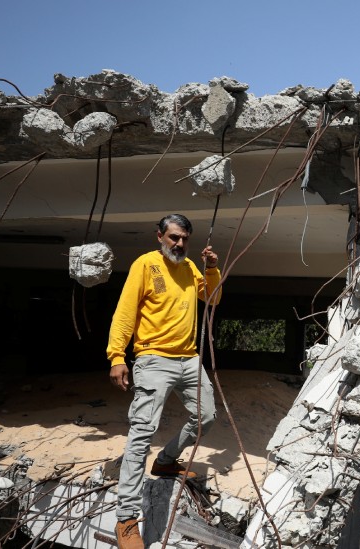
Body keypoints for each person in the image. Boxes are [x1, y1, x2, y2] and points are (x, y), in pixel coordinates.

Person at [106, 213, 221, 549]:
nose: (179, 244)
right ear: (159, 236)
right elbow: (125, 311)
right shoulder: (145, 264)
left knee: (206, 417)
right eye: (173, 238)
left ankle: (167, 460)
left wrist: (212, 268)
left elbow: (212, 299)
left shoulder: (190, 268)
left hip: (189, 359)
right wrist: (116, 356)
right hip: (153, 359)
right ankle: (126, 519)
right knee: (141, 434)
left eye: (184, 238)